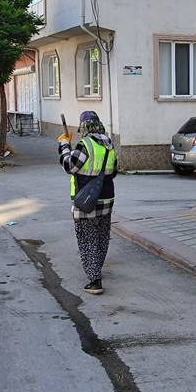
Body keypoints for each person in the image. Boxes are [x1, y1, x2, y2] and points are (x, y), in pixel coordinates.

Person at [57, 111, 118, 295]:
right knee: (101, 236)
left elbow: (69, 166)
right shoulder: (109, 145)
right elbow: (114, 171)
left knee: (87, 239)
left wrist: (64, 145)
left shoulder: (85, 145)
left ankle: (95, 281)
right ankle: (96, 268)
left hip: (87, 201)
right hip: (107, 199)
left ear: (84, 126)